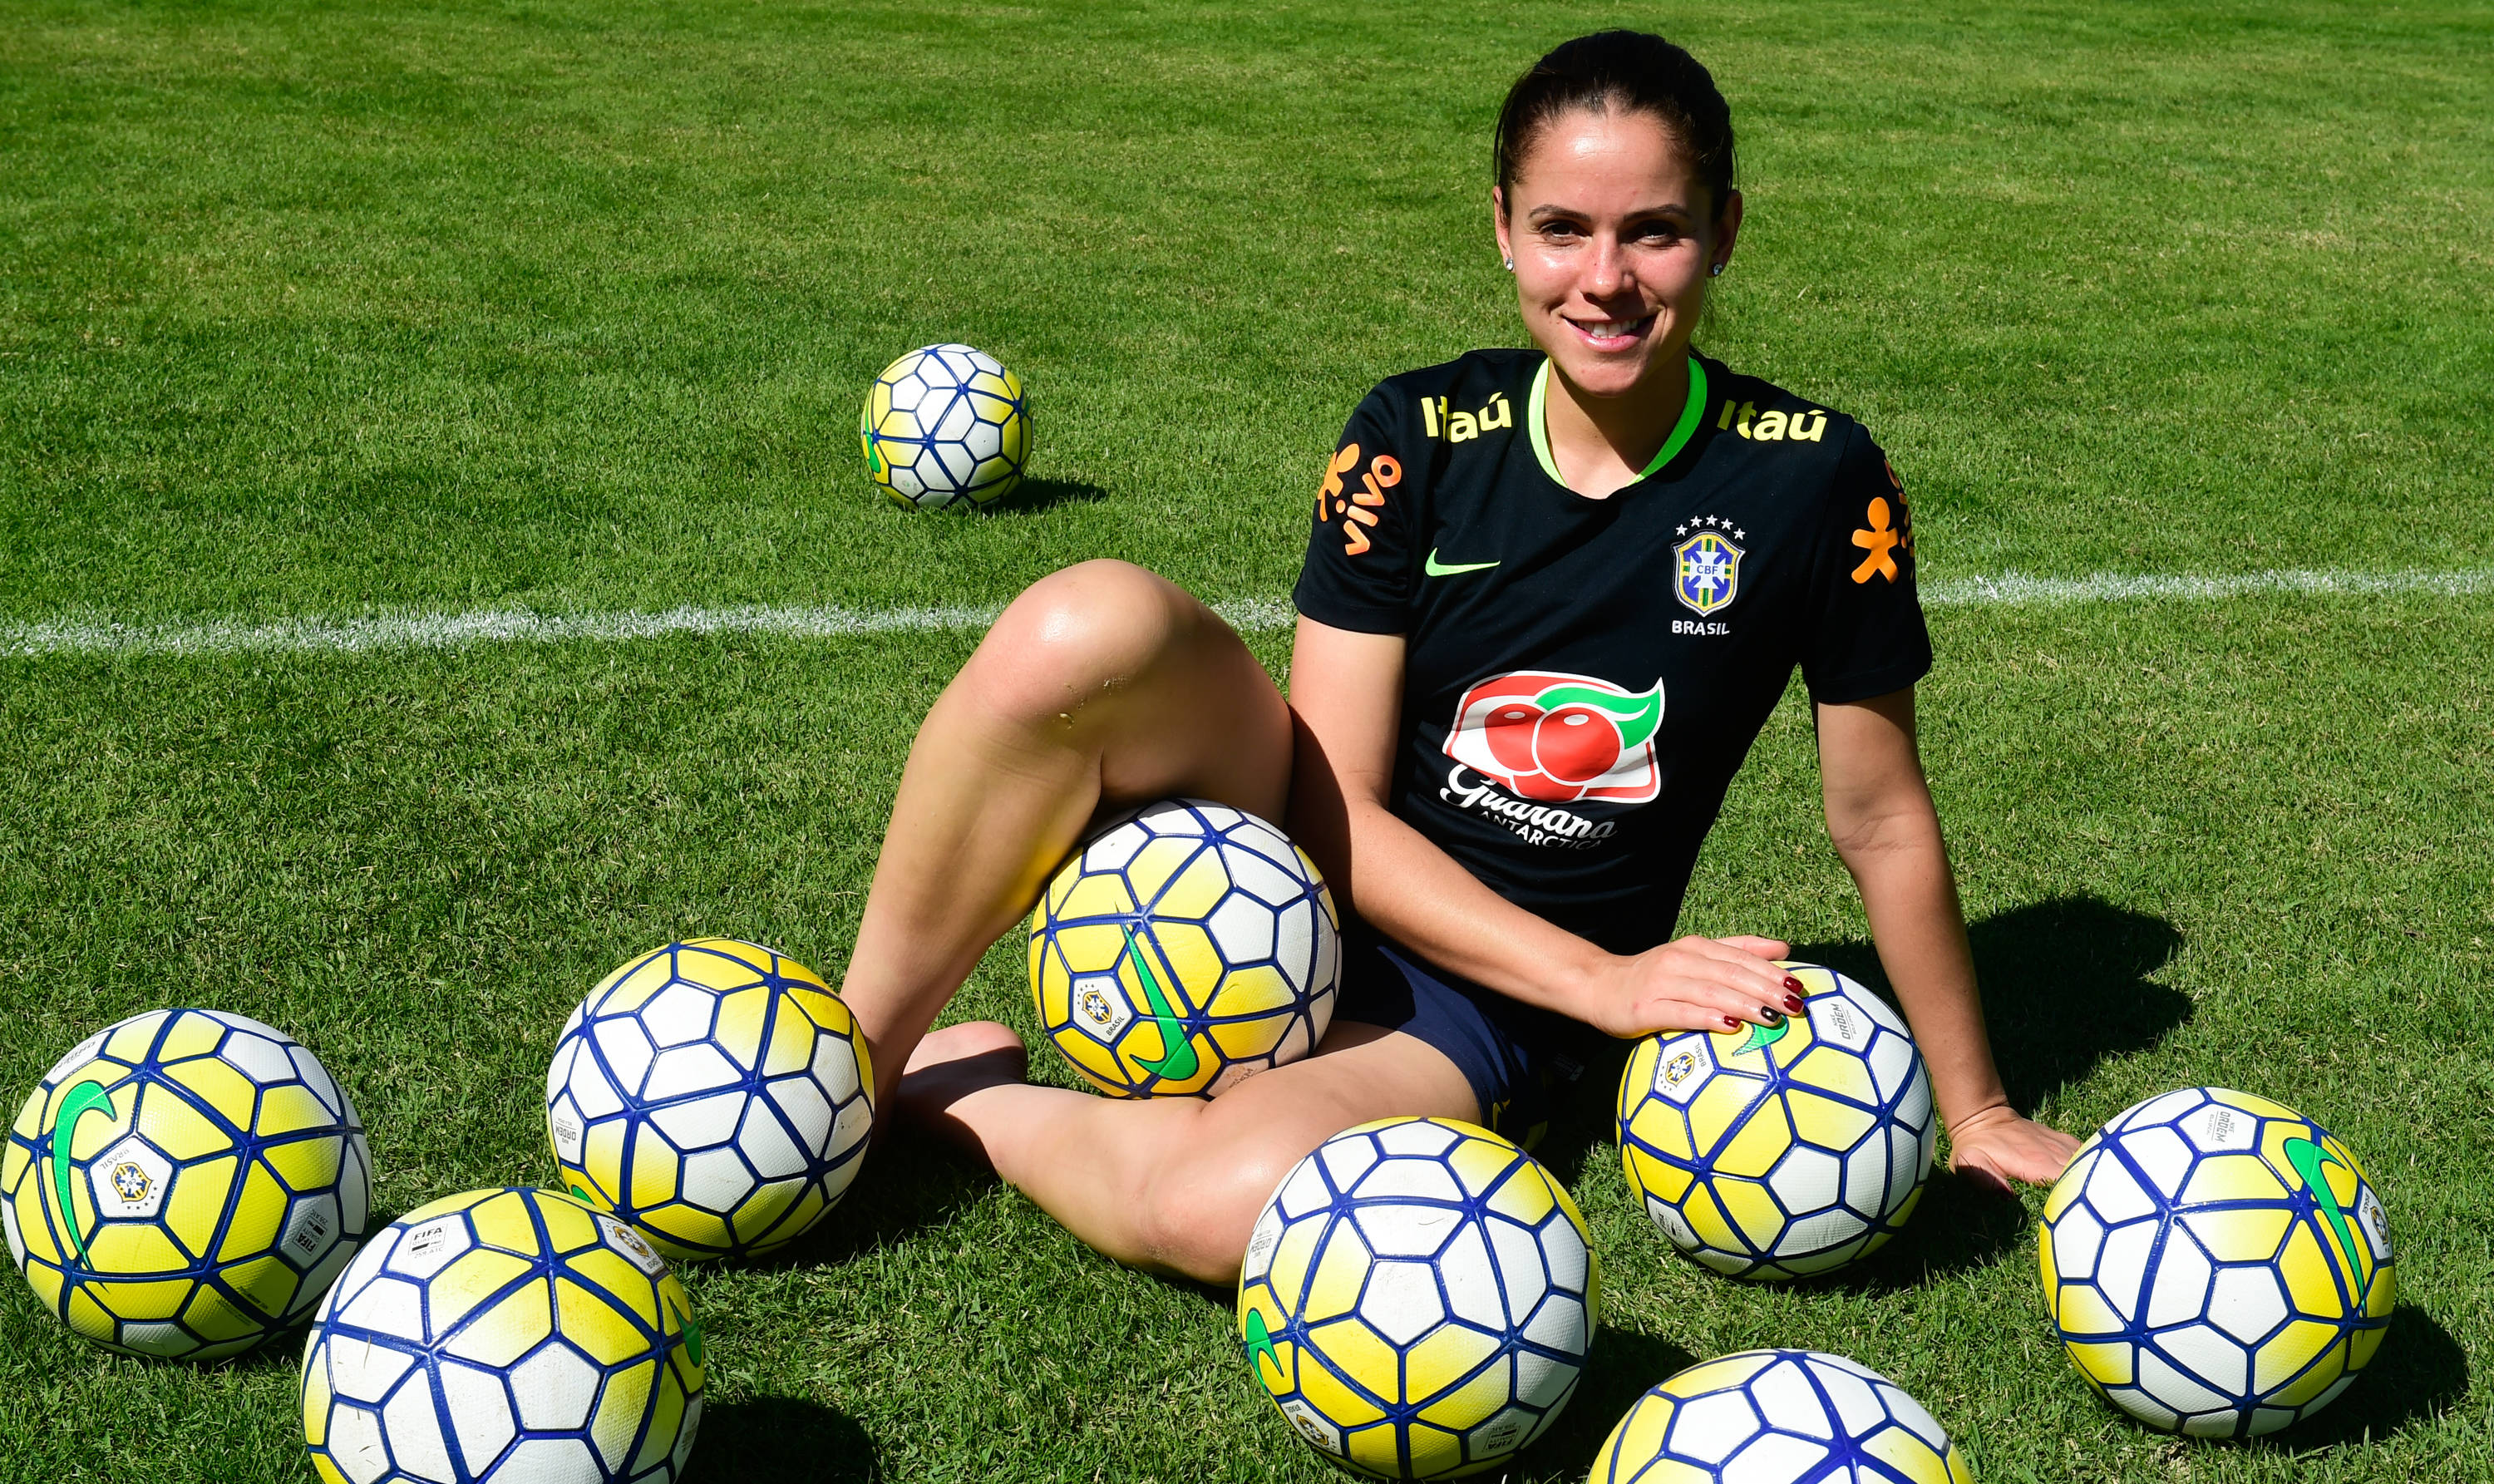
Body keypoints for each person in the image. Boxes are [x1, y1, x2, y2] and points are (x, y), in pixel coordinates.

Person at [835, 29, 2079, 1285]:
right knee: (1086, 625)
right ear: (1500, 225)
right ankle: (850, 1073)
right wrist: (1611, 978)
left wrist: (1971, 1108)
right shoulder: (1417, 434)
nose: (1604, 278)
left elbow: (1878, 815)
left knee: (1224, 1204)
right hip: (1311, 858)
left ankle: (961, 1096)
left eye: (1654, 229)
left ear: (1726, 230)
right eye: (1560, 228)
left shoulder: (1815, 478)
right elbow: (1330, 809)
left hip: (1497, 994)